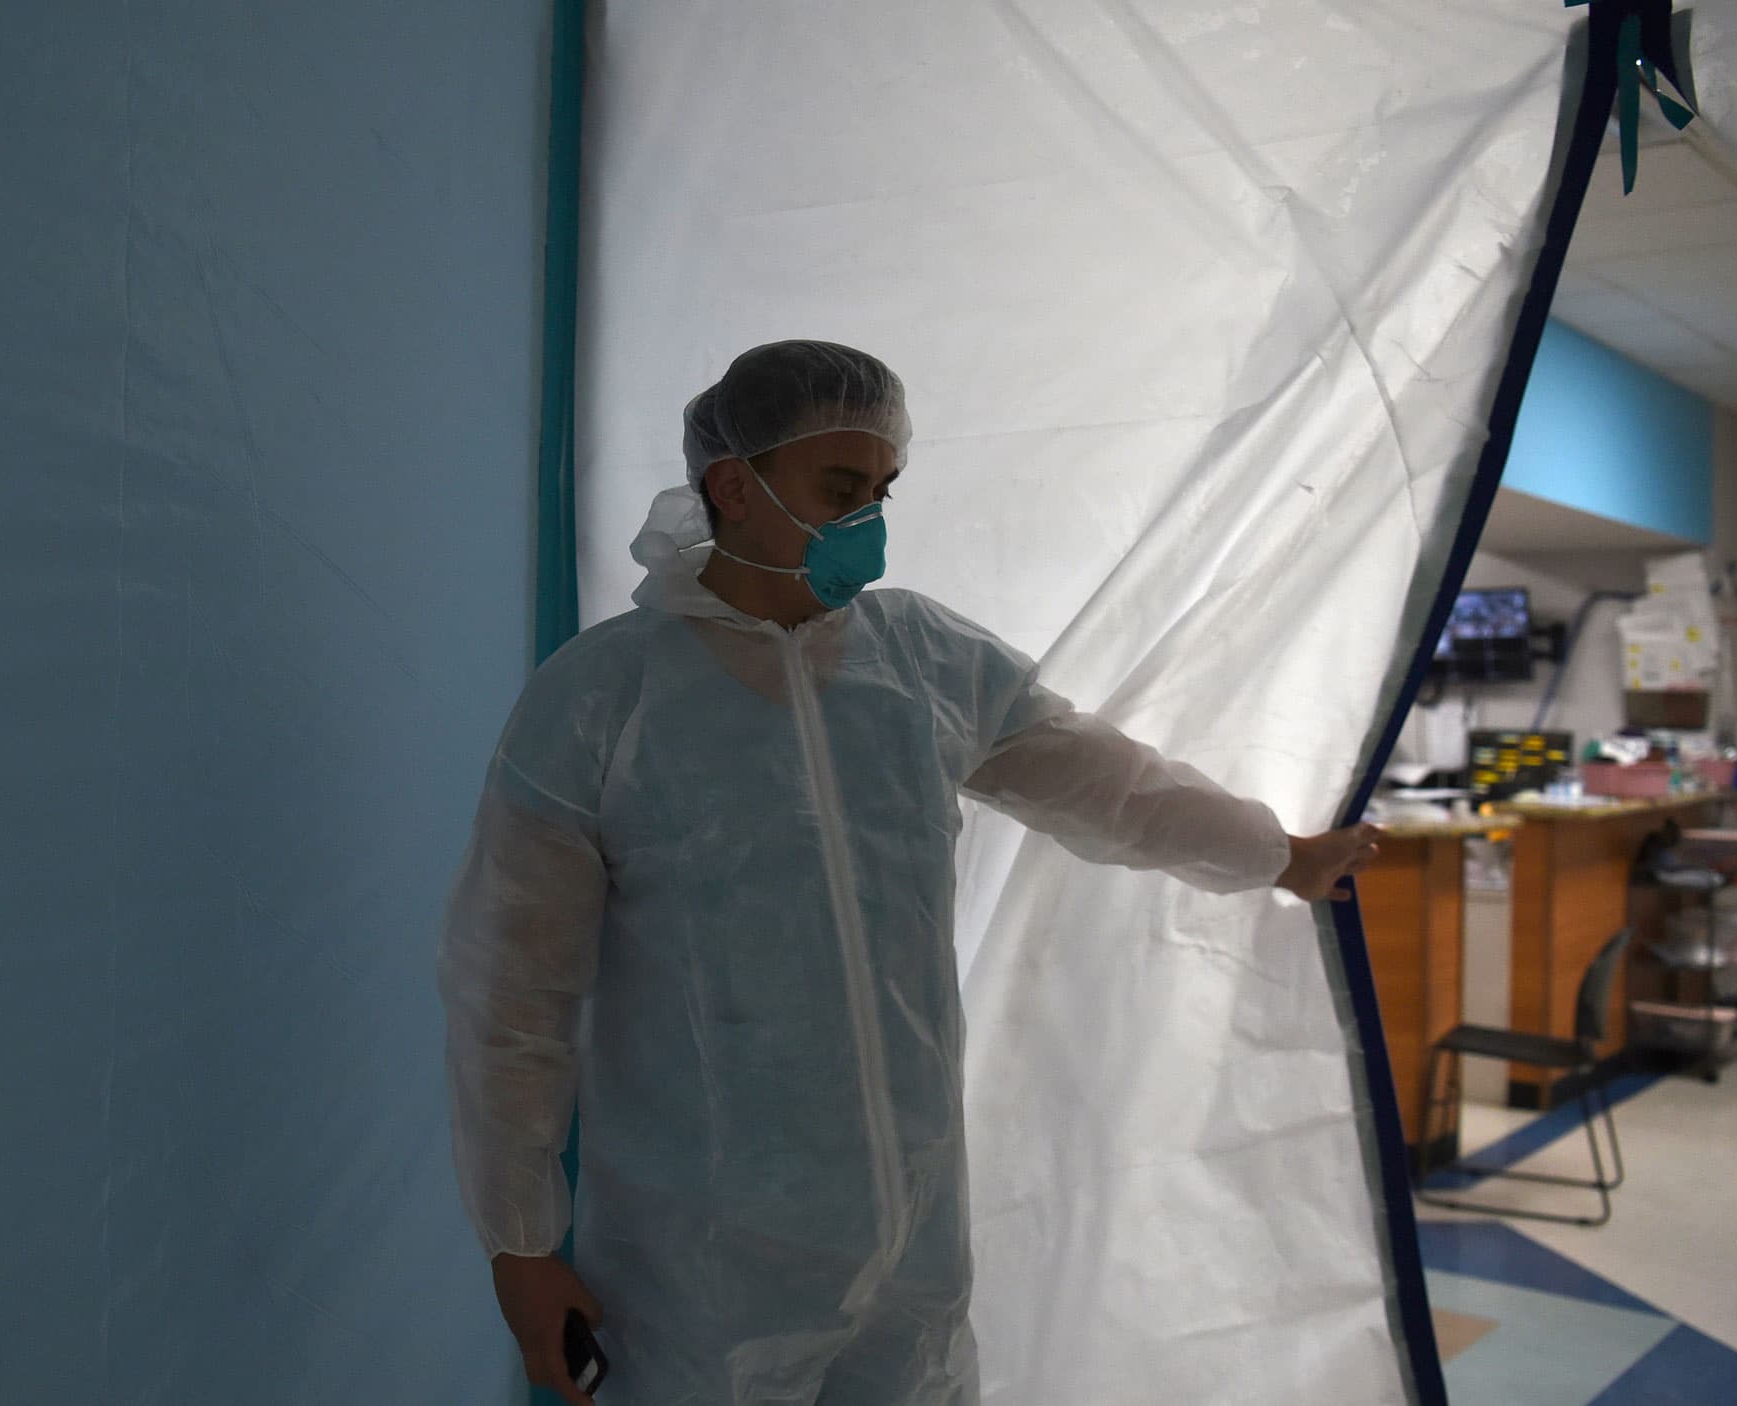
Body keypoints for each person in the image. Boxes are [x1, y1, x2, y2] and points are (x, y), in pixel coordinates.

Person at [439, 340, 1382, 1406]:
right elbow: (511, 995)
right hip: (697, 1271)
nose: (869, 521)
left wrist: (1279, 855)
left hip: (913, 1244)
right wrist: (520, 1240)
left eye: (881, 490)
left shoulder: (922, 661)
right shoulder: (604, 699)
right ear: (730, 487)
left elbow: (1112, 787)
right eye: (840, 490)